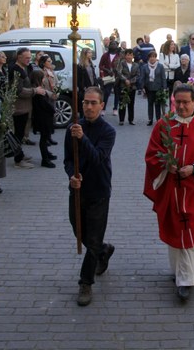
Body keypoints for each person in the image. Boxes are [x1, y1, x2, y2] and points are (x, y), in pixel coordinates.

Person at [143, 85, 194, 301]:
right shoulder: (164, 124)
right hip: (172, 189)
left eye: (185, 102)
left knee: (192, 232)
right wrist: (165, 164)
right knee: (175, 230)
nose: (180, 106)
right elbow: (152, 154)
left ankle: (187, 280)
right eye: (177, 102)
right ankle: (182, 273)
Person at [65, 86, 117, 306]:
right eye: (86, 102)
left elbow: (97, 158)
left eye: (93, 103)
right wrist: (71, 175)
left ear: (101, 105)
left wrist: (83, 138)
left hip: (99, 190)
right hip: (78, 190)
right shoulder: (73, 128)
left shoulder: (108, 131)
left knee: (93, 239)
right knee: (79, 232)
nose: (88, 107)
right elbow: (68, 159)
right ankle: (104, 250)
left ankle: (85, 283)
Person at [9, 48, 46, 169]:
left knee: (21, 133)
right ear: (19, 57)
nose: (29, 60)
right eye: (26, 58)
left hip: (24, 107)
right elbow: (19, 91)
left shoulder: (23, 68)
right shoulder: (16, 70)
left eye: (30, 58)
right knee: (19, 134)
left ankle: (20, 154)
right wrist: (35, 91)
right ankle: (18, 160)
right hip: (19, 108)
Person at [29, 70, 57, 168]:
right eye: (43, 77)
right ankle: (45, 159)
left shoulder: (38, 89)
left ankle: (47, 154)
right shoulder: (37, 91)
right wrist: (52, 109)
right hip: (42, 117)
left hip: (44, 116)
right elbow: (43, 104)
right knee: (44, 138)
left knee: (45, 137)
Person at [143, 50, 167, 125]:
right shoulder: (145, 66)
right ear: (148, 58)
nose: (152, 58)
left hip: (158, 88)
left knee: (157, 105)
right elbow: (143, 78)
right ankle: (150, 119)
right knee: (150, 104)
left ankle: (158, 120)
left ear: (156, 58)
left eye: (154, 57)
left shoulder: (160, 66)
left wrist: (164, 88)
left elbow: (163, 78)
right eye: (150, 57)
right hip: (148, 88)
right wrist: (142, 87)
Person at [116, 49, 139, 126]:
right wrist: (125, 80)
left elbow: (138, 75)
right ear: (125, 56)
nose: (129, 57)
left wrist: (131, 81)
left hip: (132, 86)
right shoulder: (122, 63)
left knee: (131, 103)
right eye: (128, 55)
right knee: (122, 103)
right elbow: (119, 73)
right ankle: (121, 120)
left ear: (133, 56)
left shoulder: (136, 65)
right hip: (123, 85)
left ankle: (131, 120)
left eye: (131, 55)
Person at [99, 41, 120, 115]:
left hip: (117, 77)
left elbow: (121, 66)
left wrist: (116, 71)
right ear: (109, 46)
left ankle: (115, 108)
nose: (113, 45)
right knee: (107, 93)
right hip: (108, 77)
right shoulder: (105, 55)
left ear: (117, 46)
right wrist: (107, 70)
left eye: (115, 44)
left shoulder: (119, 56)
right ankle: (103, 109)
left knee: (117, 93)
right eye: (112, 44)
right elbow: (100, 65)